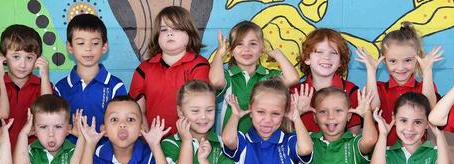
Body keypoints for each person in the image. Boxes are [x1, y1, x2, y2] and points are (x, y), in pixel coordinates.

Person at [221, 78, 313, 164]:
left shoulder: (287, 141)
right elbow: (228, 140)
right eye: (260, 112)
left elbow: (306, 149)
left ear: (284, 114)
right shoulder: (245, 142)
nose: (267, 120)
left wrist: (296, 117)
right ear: (250, 111)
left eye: (275, 113)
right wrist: (235, 115)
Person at [356, 22, 443, 146]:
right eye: (393, 61)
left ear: (417, 59)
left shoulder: (423, 87)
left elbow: (430, 110)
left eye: (407, 60)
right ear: (384, 60)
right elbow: (372, 108)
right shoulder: (379, 88)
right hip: (384, 154)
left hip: (416, 156)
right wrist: (371, 71)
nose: (400, 67)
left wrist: (427, 70)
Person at [129, 6, 210, 134]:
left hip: (190, 142)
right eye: (164, 29)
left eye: (177, 29)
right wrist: (149, 140)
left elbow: (201, 109)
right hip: (153, 144)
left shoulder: (199, 65)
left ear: (190, 34)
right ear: (157, 36)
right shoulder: (143, 69)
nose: (169, 33)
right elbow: (137, 112)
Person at [209, 20, 299, 133]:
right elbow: (215, 81)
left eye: (253, 44)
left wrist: (277, 54)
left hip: (263, 145)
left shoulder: (270, 77)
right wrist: (219, 53)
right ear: (231, 51)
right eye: (239, 44)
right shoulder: (228, 76)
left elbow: (293, 78)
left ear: (262, 48)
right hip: (231, 145)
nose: (246, 49)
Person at [55, 13, 127, 133]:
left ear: (104, 46)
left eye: (94, 43)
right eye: (80, 43)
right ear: (70, 46)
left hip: (105, 150)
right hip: (72, 150)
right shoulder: (61, 88)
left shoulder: (116, 86)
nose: (88, 48)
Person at [0, 24, 53, 147]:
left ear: (37, 59)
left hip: (33, 154)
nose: (23, 64)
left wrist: (45, 75)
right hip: (2, 154)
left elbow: (48, 112)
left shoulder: (43, 85)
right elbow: (1, 113)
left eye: (29, 58)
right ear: (3, 58)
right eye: (16, 57)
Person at [294, 28, 362, 134]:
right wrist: (297, 113)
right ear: (307, 58)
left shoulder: (351, 91)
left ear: (341, 61)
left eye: (333, 53)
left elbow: (354, 137)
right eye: (319, 52)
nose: (326, 57)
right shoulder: (295, 92)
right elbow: (286, 132)